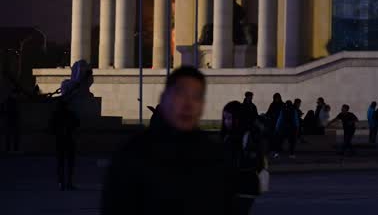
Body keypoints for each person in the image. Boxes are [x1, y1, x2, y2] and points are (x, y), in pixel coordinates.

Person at [101, 66, 232, 215]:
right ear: (164, 99)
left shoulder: (214, 156)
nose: (187, 105)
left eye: (195, 96)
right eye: (180, 94)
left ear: (202, 105)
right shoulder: (131, 154)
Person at [222, 101, 266, 215]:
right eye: (225, 118)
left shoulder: (248, 136)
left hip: (244, 186)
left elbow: (255, 160)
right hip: (235, 186)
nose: (226, 122)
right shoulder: (229, 137)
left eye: (229, 118)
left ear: (238, 118)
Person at [49, 98, 80, 190]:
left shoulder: (55, 114)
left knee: (60, 163)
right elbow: (77, 124)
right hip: (69, 139)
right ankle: (69, 182)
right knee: (69, 163)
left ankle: (61, 182)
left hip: (59, 140)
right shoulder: (70, 114)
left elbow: (52, 127)